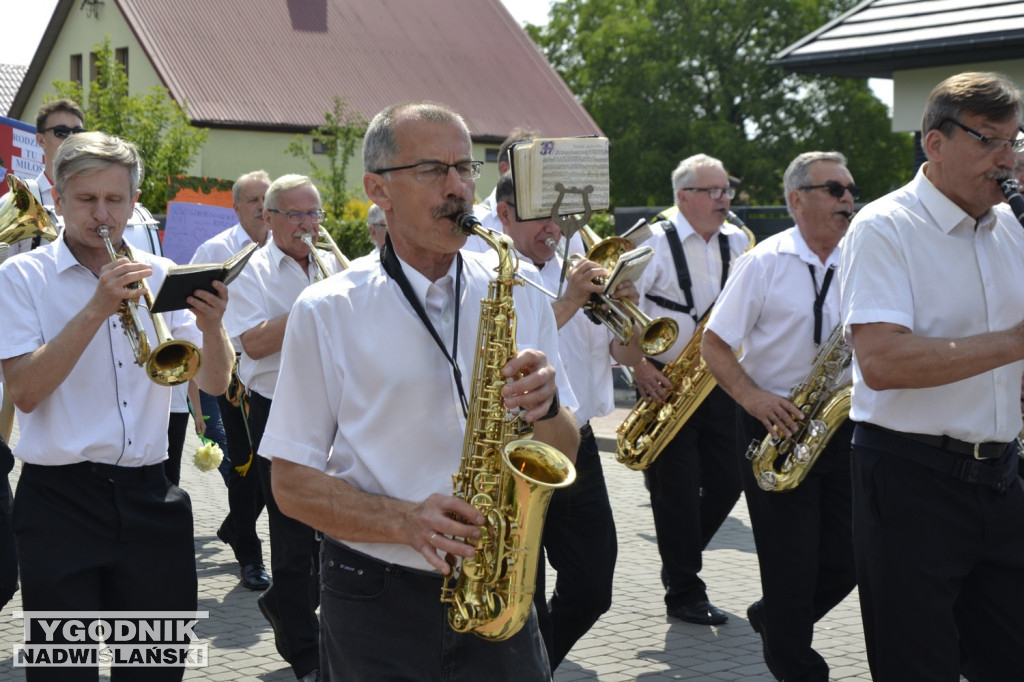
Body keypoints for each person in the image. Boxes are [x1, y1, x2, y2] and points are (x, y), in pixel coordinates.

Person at [260, 101, 580, 681]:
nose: (457, 188)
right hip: (374, 593)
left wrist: (549, 408)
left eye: (465, 169)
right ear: (377, 190)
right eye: (434, 170)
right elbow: (290, 486)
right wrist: (405, 522)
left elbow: (566, 451)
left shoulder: (519, 290)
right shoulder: (328, 309)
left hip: (501, 583)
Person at [0, 131, 233, 681]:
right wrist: (96, 307)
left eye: (115, 199)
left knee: (155, 668)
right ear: (57, 199)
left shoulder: (162, 270)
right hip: (60, 502)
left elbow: (216, 385)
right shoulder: (19, 278)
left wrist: (214, 327)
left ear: (134, 201)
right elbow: (27, 393)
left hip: (151, 494)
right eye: (86, 200)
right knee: (65, 672)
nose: (102, 215)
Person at [839, 71, 1024, 681]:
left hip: (1001, 477)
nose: (1007, 158)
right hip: (912, 479)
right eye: (989, 140)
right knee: (917, 666)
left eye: (1015, 141)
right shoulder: (884, 226)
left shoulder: (1010, 228)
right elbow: (883, 362)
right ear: (935, 144)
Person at [701, 151, 858, 681]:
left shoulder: (862, 259)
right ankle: (798, 667)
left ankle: (776, 618)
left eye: (849, 190)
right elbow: (715, 344)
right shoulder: (764, 261)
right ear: (796, 200)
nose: (848, 200)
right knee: (789, 565)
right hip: (775, 423)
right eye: (834, 190)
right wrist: (754, 399)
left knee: (852, 555)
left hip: (839, 424)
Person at [494, 172, 640, 669]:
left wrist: (627, 312)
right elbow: (515, 354)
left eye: (559, 216)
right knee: (523, 591)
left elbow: (622, 351)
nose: (553, 227)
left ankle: (538, 664)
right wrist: (572, 300)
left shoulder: (579, 271)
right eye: (540, 214)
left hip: (575, 439)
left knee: (593, 583)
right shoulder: (492, 274)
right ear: (505, 215)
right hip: (516, 449)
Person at [223, 173, 342, 682]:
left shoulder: (332, 264)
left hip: (335, 409)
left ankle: (301, 612)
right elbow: (251, 343)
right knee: (293, 536)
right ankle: (303, 651)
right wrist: (317, 305)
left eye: (312, 213)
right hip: (277, 408)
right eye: (293, 214)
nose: (305, 224)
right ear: (267, 219)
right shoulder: (249, 272)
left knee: (333, 534)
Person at [632, 153, 747, 625]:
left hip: (717, 379)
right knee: (676, 491)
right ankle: (683, 590)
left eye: (726, 190)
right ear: (684, 197)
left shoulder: (739, 239)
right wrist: (638, 366)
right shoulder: (649, 243)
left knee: (730, 480)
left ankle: (678, 552)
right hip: (664, 380)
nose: (725, 199)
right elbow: (619, 316)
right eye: (714, 191)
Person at [192, 169, 272, 591]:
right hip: (235, 373)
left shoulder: (286, 246)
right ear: (236, 206)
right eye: (253, 199)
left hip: (281, 373)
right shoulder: (214, 250)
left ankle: (233, 527)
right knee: (245, 467)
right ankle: (250, 557)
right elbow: (192, 320)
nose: (262, 206)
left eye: (267, 198)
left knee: (275, 463)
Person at [33, 98, 86, 208]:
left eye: (78, 132)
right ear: (41, 140)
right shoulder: (19, 202)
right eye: (61, 131)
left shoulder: (98, 198)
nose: (71, 138)